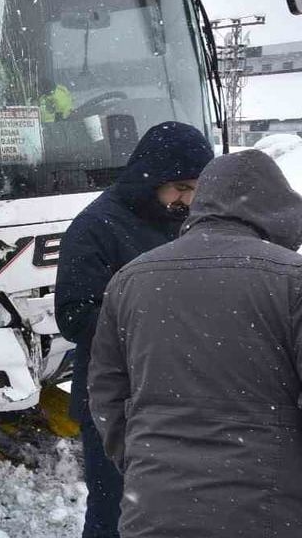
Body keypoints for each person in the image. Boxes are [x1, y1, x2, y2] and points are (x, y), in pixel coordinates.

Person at [90, 149, 302, 537]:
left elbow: (106, 393)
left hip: (153, 509)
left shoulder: (132, 279)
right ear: (278, 210)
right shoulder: (292, 280)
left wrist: (143, 462)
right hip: (268, 511)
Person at [53, 121, 213, 538]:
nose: (188, 198)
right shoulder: (96, 227)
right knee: (116, 511)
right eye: (179, 187)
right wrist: (154, 325)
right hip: (115, 400)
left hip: (177, 394)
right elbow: (73, 315)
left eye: (196, 187)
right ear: (151, 177)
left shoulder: (193, 220)